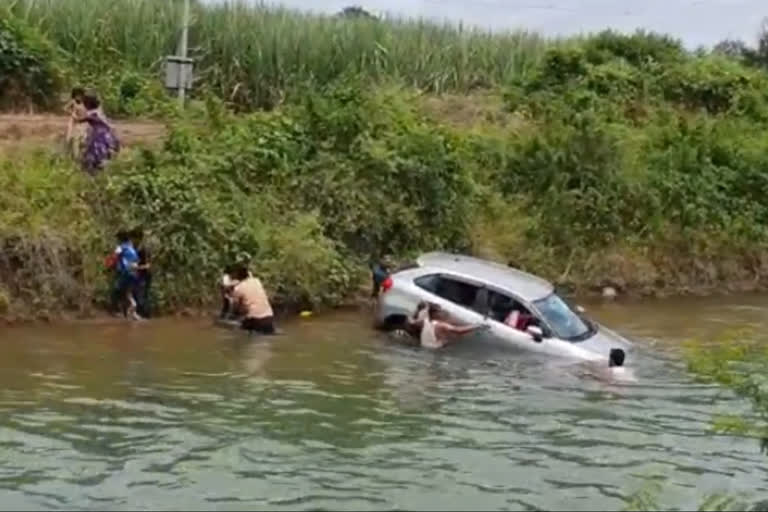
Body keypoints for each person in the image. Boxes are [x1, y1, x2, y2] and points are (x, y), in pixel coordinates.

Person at [75, 94, 120, 174]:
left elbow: (79, 120)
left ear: (87, 104)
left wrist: (73, 114)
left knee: (93, 156)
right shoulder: (98, 111)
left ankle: (92, 172)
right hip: (108, 136)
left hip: (100, 137)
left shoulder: (92, 114)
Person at [230, 265, 276, 334]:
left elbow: (235, 308)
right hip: (269, 317)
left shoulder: (238, 289)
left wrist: (234, 314)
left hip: (255, 320)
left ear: (236, 276)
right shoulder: (257, 281)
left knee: (237, 330)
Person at [420, 303, 487, 349]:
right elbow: (459, 330)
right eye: (440, 311)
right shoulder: (441, 325)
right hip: (438, 350)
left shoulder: (426, 322)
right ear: (434, 313)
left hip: (427, 347)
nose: (442, 312)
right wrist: (477, 325)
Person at [131, 227, 152, 319]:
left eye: (132, 238)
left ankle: (145, 317)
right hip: (139, 275)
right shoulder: (135, 248)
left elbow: (148, 266)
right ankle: (141, 317)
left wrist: (137, 267)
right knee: (137, 295)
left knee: (141, 297)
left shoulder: (143, 249)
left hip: (144, 276)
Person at [65, 87, 87, 159]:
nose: (79, 97)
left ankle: (82, 155)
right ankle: (72, 154)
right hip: (75, 122)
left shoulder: (85, 102)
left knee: (84, 140)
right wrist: (72, 114)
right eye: (77, 95)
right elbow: (65, 108)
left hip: (84, 122)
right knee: (71, 138)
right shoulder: (73, 101)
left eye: (80, 95)